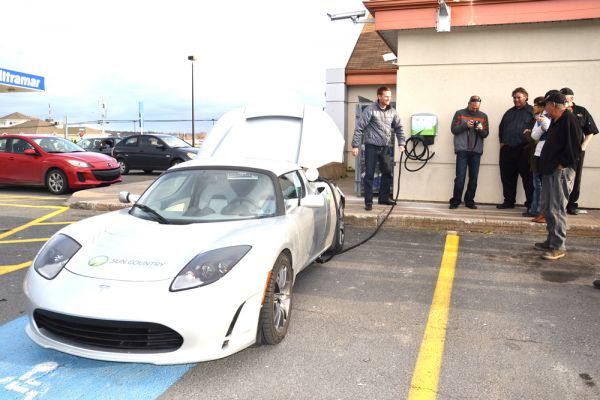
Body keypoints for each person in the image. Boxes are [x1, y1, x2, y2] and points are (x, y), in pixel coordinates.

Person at [534, 91, 582, 260]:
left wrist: (562, 164)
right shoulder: (556, 121)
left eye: (546, 105)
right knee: (547, 206)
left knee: (557, 207)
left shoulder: (569, 120)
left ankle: (558, 246)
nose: (545, 108)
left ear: (553, 105)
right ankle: (550, 240)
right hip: (549, 170)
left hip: (560, 171)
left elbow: (575, 147)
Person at [352, 86, 406, 211]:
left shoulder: (392, 111)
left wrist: (401, 143)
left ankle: (383, 198)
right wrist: (355, 146)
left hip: (385, 147)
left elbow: (399, 127)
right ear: (379, 96)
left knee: (387, 172)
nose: (388, 99)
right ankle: (368, 202)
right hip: (371, 146)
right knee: (369, 174)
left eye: (390, 96)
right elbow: (359, 128)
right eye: (386, 96)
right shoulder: (370, 110)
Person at [560, 88, 599, 215]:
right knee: (557, 177)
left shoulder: (581, 111)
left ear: (572, 99)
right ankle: (559, 204)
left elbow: (590, 131)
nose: (563, 101)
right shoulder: (558, 111)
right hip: (560, 150)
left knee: (575, 178)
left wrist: (583, 147)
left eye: (565, 99)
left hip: (577, 151)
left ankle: (571, 205)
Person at [449, 95, 489, 209]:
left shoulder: (483, 116)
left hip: (476, 151)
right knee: (460, 178)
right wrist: (465, 125)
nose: (475, 110)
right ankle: (455, 201)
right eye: (473, 108)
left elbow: (485, 134)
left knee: (473, 178)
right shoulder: (459, 113)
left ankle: (469, 201)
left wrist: (480, 129)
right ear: (469, 104)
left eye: (477, 108)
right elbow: (454, 130)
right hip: (462, 150)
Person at [497, 87, 535, 209]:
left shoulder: (532, 111)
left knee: (528, 179)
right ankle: (508, 201)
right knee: (507, 177)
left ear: (526, 97)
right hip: (507, 150)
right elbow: (501, 128)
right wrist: (502, 142)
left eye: (519, 97)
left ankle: (531, 204)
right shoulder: (509, 112)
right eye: (514, 97)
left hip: (524, 150)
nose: (516, 99)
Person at [525, 96, 551, 221]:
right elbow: (534, 135)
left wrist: (543, 125)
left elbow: (538, 135)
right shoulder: (539, 119)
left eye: (535, 105)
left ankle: (539, 210)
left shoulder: (546, 118)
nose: (533, 107)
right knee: (537, 184)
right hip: (536, 153)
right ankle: (535, 209)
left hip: (544, 154)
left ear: (541, 106)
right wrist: (541, 127)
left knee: (540, 185)